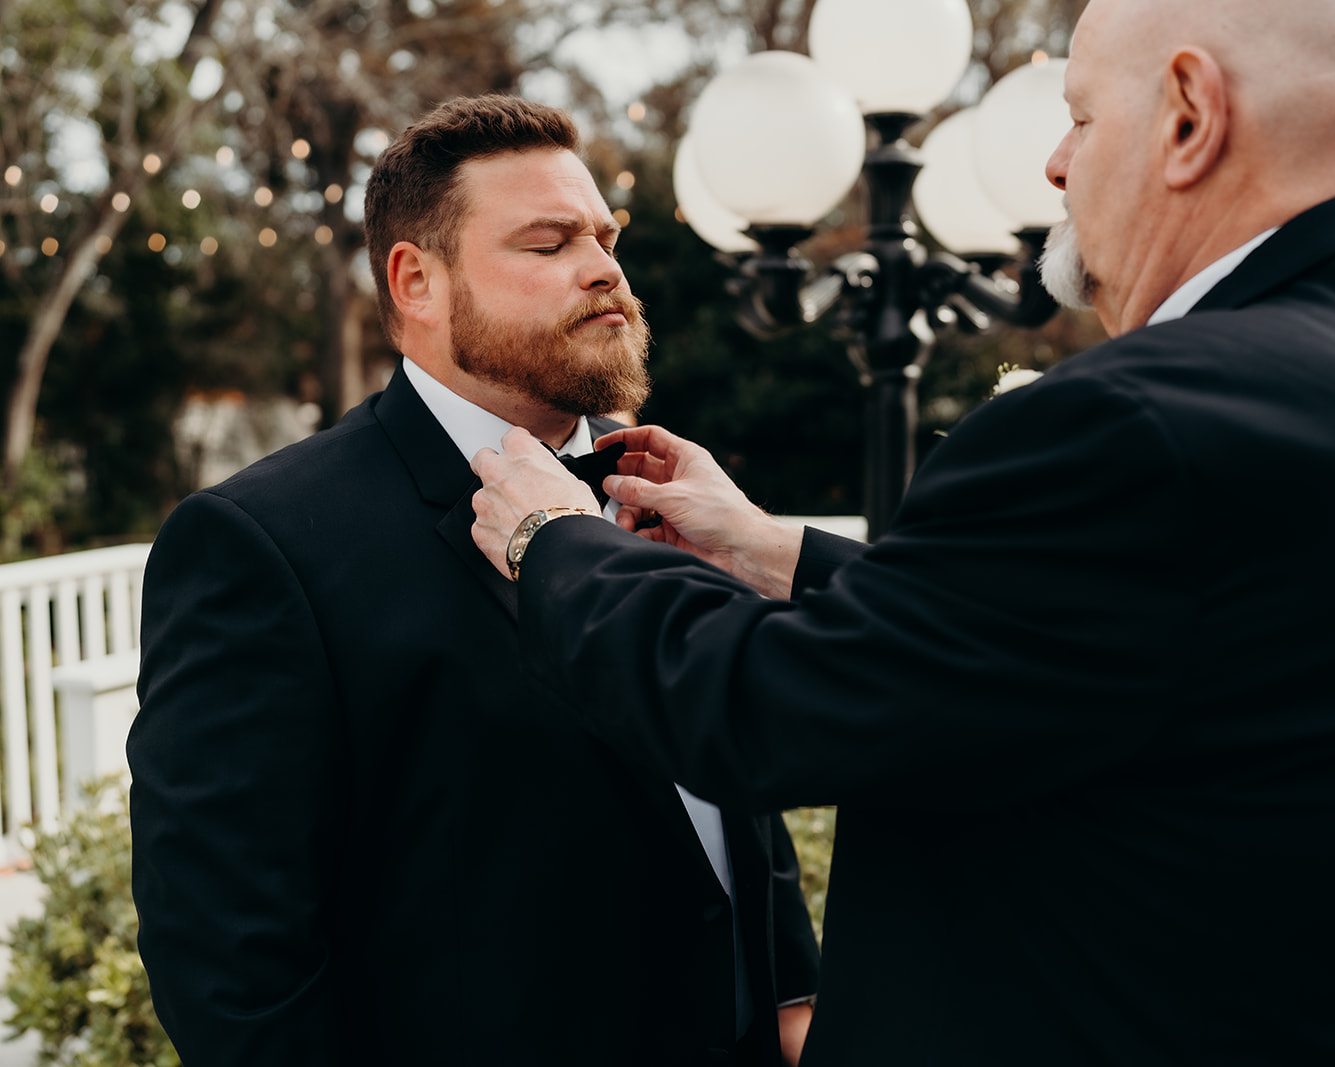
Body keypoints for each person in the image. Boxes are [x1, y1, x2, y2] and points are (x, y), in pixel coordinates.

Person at [466, 1, 1335, 1064]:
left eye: (1083, 118)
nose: (1053, 165)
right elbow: (1125, 645)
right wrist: (778, 551)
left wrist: (559, 544)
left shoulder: (1142, 423)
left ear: (1189, 116)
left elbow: (775, 714)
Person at [129, 94, 819, 1067]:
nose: (605, 268)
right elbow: (228, 958)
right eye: (547, 244)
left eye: (605, 237)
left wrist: (792, 984)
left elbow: (715, 765)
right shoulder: (262, 544)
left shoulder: (669, 492)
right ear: (417, 281)